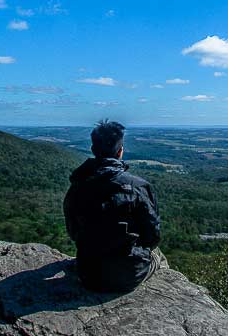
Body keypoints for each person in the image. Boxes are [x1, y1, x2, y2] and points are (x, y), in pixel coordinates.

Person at [63, 120, 162, 292]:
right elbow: (152, 237)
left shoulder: (77, 186)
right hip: (130, 275)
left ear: (93, 150)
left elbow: (74, 232)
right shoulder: (139, 187)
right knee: (159, 255)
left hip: (89, 274)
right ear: (120, 151)